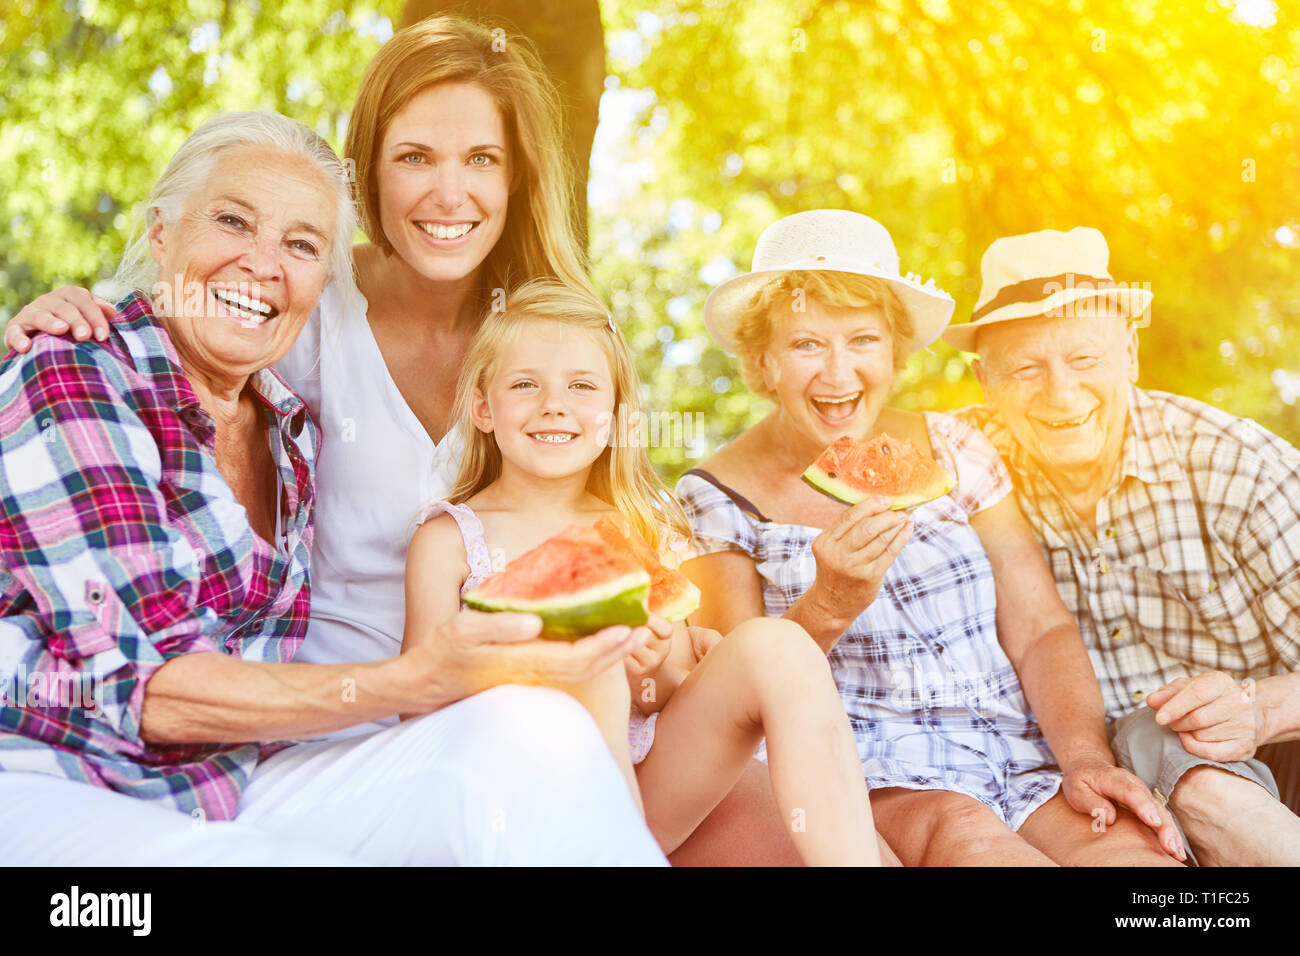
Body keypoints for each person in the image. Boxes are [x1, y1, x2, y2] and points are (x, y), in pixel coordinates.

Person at [4, 16, 793, 863]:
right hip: (267, 733)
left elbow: (627, 515)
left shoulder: (529, 343)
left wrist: (667, 636)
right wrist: (61, 327)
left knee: (717, 802)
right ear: (369, 176)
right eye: (415, 156)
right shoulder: (279, 329)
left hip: (447, 710)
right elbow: (141, 669)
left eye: (481, 159)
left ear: (519, 177)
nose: (448, 194)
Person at [677, 209, 1185, 866]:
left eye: (862, 340)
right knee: (968, 835)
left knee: (1133, 858)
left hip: (1025, 760)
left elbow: (1040, 629)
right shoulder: (714, 496)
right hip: (877, 778)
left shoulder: (956, 446)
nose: (838, 375)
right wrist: (828, 604)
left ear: (893, 350)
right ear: (764, 359)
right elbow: (733, 710)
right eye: (806, 345)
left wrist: (1085, 759)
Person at [404, 278, 883, 864]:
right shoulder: (449, 537)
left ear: (612, 414)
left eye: (581, 386)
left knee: (778, 645)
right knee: (591, 679)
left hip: (645, 796)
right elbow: (416, 702)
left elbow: (671, 690)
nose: (554, 405)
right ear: (482, 407)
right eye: (525, 385)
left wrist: (649, 666)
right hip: (512, 800)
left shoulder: (636, 531)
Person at [945, 226, 1300, 864]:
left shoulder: (1237, 466)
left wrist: (1258, 709)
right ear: (984, 380)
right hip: (1094, 795)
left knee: (1170, 743)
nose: (1061, 394)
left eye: (1084, 359)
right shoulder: (962, 467)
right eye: (1026, 367)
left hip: (1271, 756)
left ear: (1129, 353)